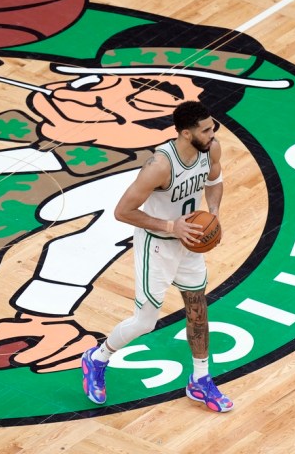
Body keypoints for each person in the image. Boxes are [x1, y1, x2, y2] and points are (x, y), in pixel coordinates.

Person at [81, 100, 233, 413]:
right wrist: (170, 226)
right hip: (158, 244)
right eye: (206, 130)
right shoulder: (160, 166)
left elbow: (215, 182)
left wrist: (214, 214)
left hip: (189, 241)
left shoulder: (211, 149)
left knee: (197, 307)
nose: (213, 132)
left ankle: (200, 380)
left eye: (212, 125)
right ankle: (98, 358)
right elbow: (123, 211)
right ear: (187, 134)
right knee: (145, 322)